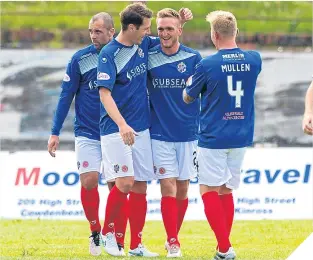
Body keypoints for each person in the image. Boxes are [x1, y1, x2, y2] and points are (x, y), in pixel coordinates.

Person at [97, 3, 192, 257]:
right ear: (131, 27)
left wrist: (182, 21)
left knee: (140, 186)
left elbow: (169, 38)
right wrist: (122, 124)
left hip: (142, 130)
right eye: (146, 29)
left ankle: (136, 245)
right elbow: (104, 94)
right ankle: (107, 233)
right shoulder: (109, 54)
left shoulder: (142, 45)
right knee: (125, 182)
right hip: (116, 129)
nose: (150, 34)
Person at [183, 10, 262, 260]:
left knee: (208, 189)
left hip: (213, 137)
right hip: (241, 136)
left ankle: (225, 248)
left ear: (214, 35)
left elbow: (188, 97)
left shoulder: (206, 65)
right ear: (235, 32)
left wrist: (189, 82)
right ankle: (222, 248)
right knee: (226, 190)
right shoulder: (255, 59)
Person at [47, 12, 128, 256]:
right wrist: (55, 132)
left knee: (118, 184)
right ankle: (95, 231)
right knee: (89, 180)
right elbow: (65, 96)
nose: (93, 35)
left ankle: (114, 234)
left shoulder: (124, 54)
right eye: (91, 31)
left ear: (112, 32)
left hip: (114, 131)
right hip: (87, 131)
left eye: (99, 31)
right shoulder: (80, 58)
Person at [147, 8, 201, 258]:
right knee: (166, 186)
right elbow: (131, 34)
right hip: (158, 133)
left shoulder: (193, 58)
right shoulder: (148, 54)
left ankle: (173, 238)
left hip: (188, 133)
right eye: (161, 29)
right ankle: (173, 241)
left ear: (180, 30)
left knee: (183, 189)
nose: (165, 33)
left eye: (170, 28)